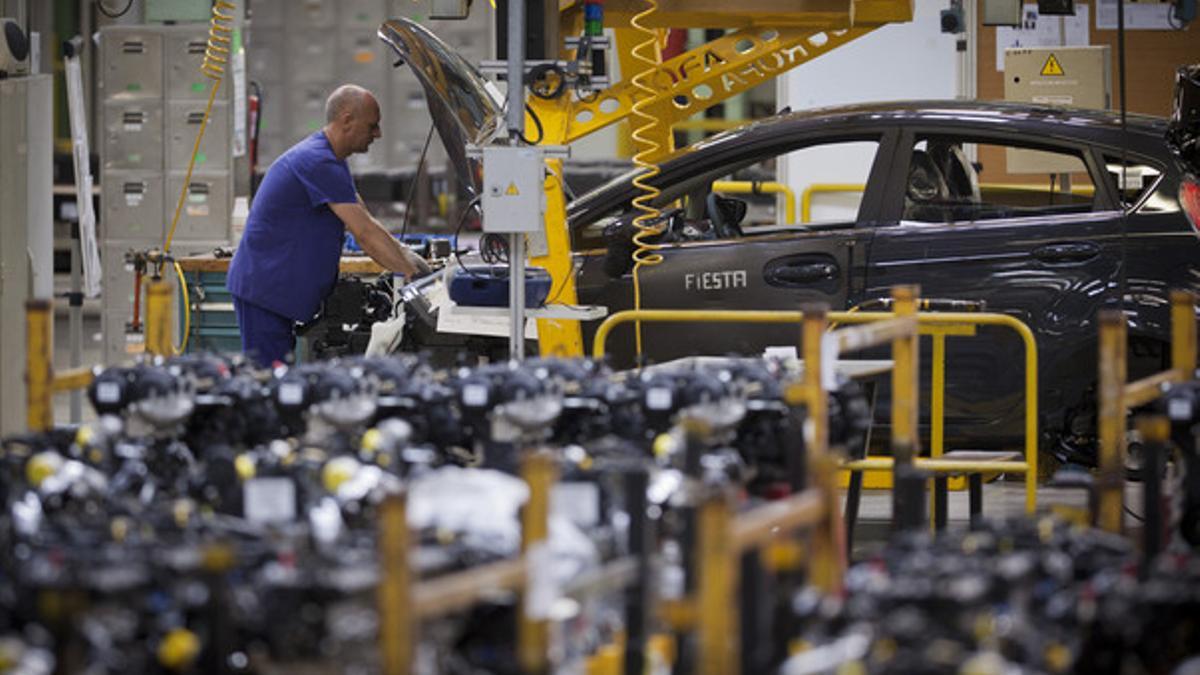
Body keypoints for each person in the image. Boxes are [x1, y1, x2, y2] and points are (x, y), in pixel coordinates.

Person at [227, 84, 429, 366]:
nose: (378, 134)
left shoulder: (332, 160)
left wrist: (405, 254)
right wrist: (413, 280)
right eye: (372, 126)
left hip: (274, 291)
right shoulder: (317, 161)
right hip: (264, 292)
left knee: (279, 377)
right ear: (347, 120)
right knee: (269, 380)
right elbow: (365, 234)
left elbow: (364, 218)